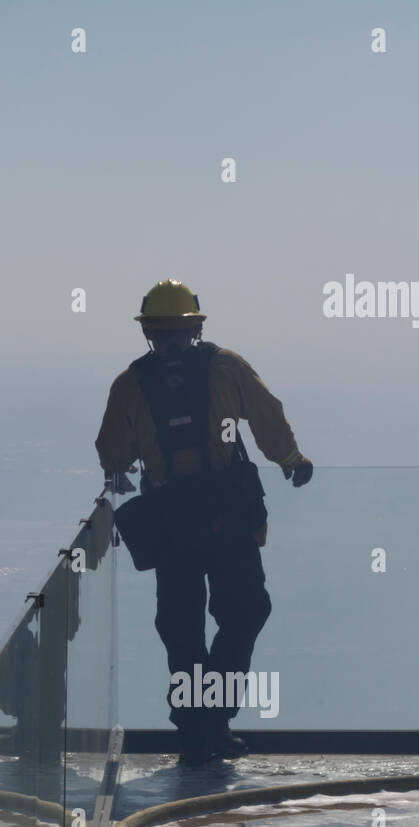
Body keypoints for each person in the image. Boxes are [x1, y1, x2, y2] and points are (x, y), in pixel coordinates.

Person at [95, 279, 312, 766]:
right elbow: (267, 418)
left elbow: (113, 453)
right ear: (196, 326)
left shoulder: (131, 384)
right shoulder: (226, 367)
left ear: (147, 331)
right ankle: (214, 719)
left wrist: (130, 466)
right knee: (244, 613)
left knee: (182, 627)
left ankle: (195, 726)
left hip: (171, 522)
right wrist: (292, 460)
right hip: (229, 517)